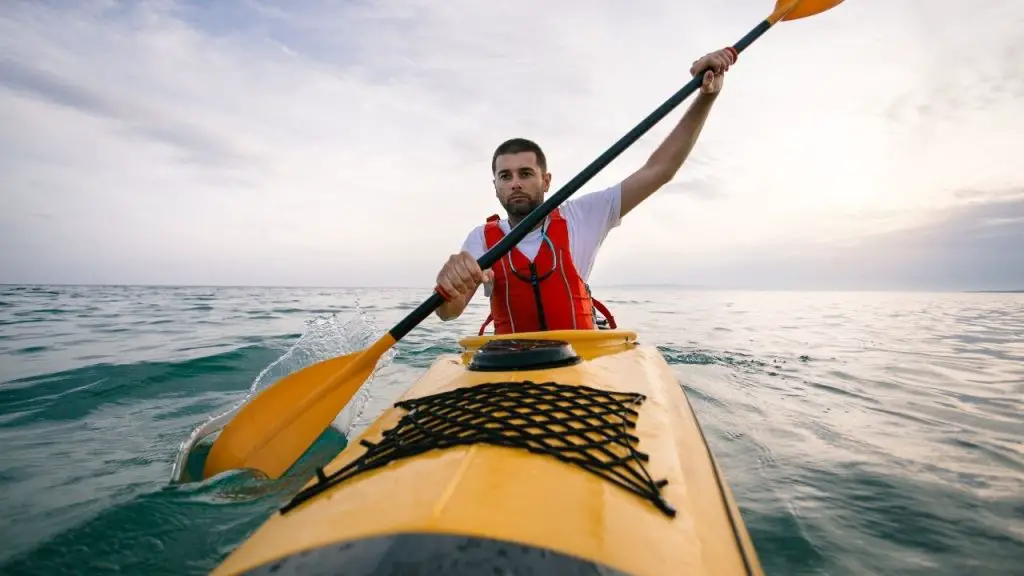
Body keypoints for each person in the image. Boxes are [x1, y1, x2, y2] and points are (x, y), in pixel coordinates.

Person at [433, 47, 737, 335]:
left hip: (578, 359)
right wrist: (448, 286)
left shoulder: (583, 216)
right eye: (505, 176)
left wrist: (706, 98)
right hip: (509, 363)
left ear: (546, 180)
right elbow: (449, 313)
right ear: (496, 186)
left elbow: (659, 171)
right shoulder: (481, 240)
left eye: (526, 173)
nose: (515, 183)